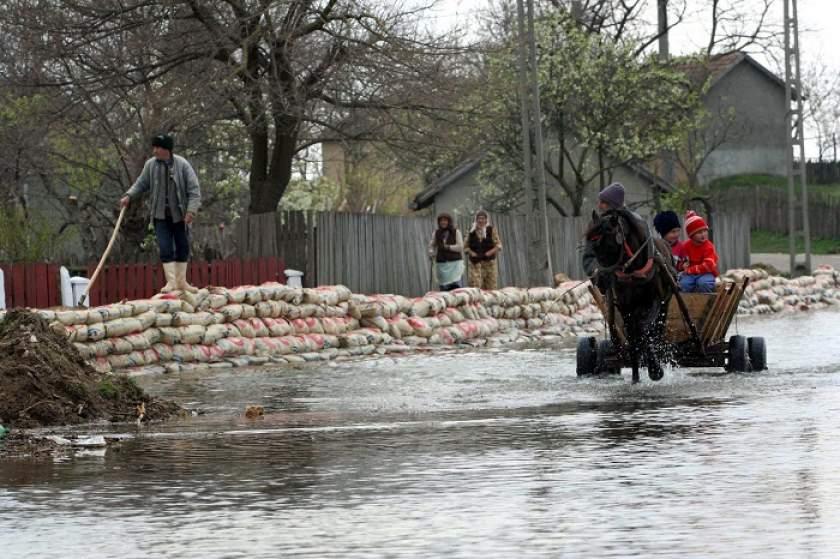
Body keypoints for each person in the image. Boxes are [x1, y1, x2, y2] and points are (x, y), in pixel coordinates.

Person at [120, 133, 201, 293]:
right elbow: (141, 183)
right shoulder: (151, 165)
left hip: (180, 215)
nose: (155, 150)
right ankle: (171, 282)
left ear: (167, 149)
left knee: (182, 247)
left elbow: (194, 190)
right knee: (165, 248)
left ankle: (181, 282)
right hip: (160, 215)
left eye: (158, 147)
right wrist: (129, 195)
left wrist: (191, 211)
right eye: (154, 147)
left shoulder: (182, 165)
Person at [581, 182, 653, 284]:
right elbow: (589, 257)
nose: (599, 205)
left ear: (613, 205)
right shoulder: (596, 226)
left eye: (603, 202)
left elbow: (649, 254)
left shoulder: (637, 223)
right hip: (608, 282)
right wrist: (600, 272)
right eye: (600, 201)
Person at [678, 210, 719, 293]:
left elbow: (709, 265)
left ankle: (706, 300)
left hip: (706, 273)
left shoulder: (708, 246)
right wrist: (682, 265)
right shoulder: (686, 246)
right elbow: (680, 261)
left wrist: (690, 270)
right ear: (692, 235)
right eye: (699, 232)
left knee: (703, 283)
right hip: (690, 275)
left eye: (705, 231)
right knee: (683, 284)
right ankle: (687, 300)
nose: (703, 234)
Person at [466, 210, 502, 290]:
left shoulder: (491, 230)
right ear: (476, 219)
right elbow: (465, 247)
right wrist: (471, 253)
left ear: (486, 219)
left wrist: (489, 253)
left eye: (483, 218)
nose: (481, 220)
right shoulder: (471, 231)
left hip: (489, 264)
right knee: (475, 288)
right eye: (479, 218)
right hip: (475, 265)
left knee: (491, 288)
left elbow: (499, 245)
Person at [428, 212, 464, 291]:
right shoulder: (436, 233)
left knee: (457, 290)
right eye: (441, 220)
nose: (443, 222)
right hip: (442, 265)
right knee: (444, 290)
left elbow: (460, 247)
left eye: (445, 220)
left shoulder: (456, 232)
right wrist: (431, 252)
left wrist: (448, 247)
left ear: (449, 221)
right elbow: (431, 245)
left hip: (455, 265)